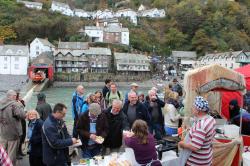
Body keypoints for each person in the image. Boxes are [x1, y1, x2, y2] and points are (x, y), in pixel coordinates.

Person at [178, 96, 216, 166]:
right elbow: (203, 135)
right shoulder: (210, 119)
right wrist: (192, 130)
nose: (192, 109)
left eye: (193, 107)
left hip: (196, 162)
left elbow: (195, 147)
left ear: (198, 110)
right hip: (206, 157)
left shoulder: (201, 125)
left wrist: (182, 144)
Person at [0, 90, 26, 166]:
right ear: (12, 96)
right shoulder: (14, 105)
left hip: (3, 132)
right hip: (13, 133)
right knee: (12, 153)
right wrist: (20, 105)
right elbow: (22, 115)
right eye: (15, 96)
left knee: (3, 151)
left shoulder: (1, 102)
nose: (16, 97)